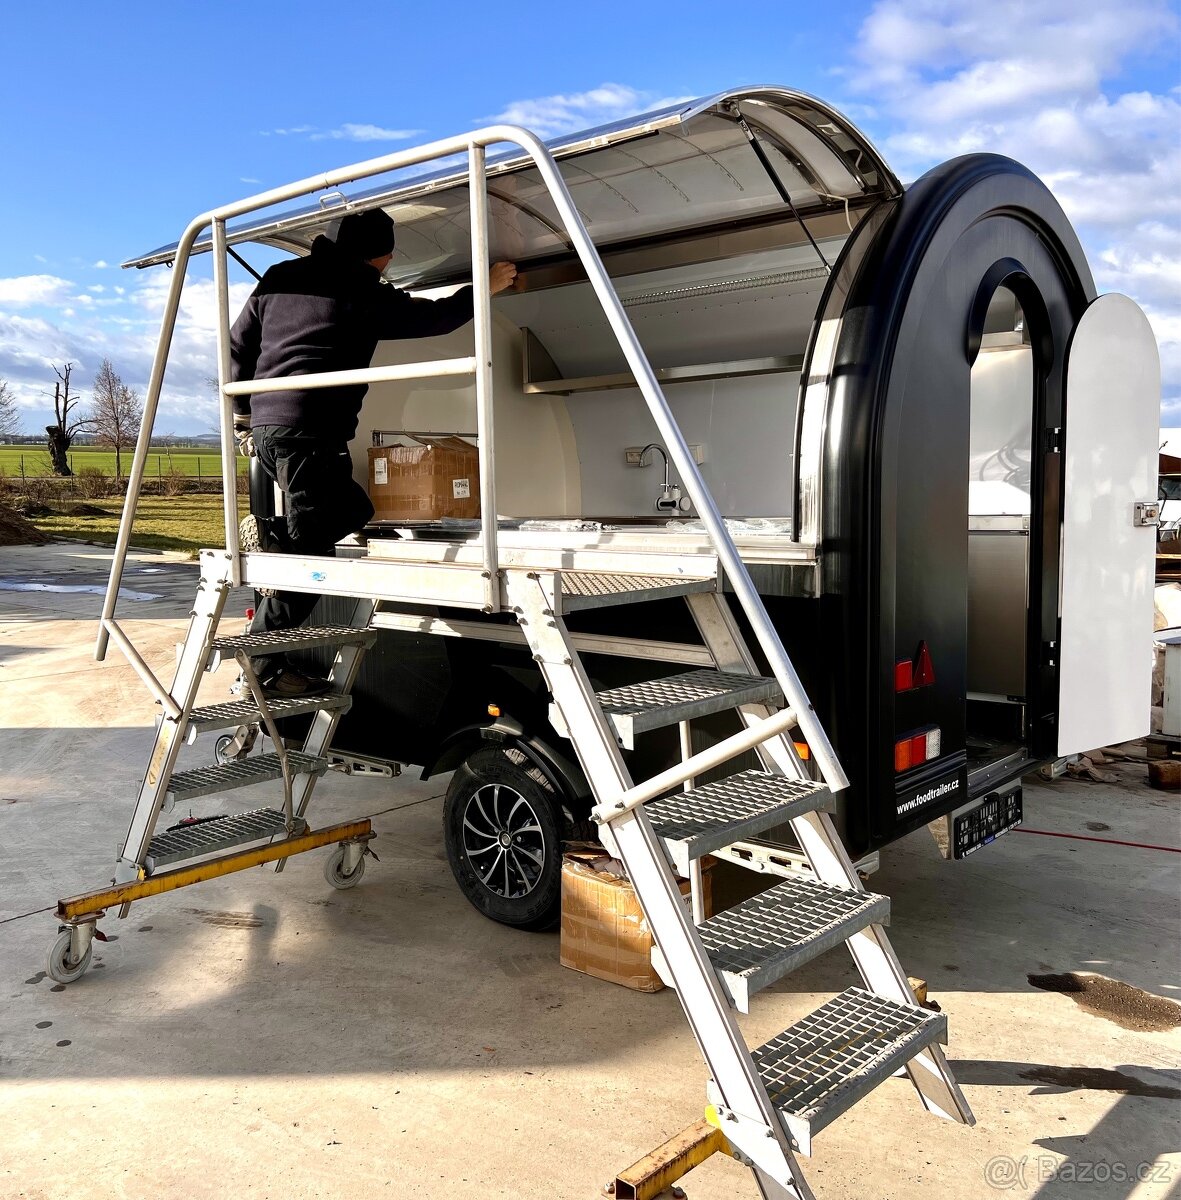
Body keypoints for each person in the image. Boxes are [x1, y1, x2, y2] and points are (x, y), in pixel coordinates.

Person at [229, 207, 517, 697]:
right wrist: (483, 288)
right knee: (315, 554)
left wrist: (241, 412)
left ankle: (278, 546)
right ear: (382, 257)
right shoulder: (362, 289)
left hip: (269, 427)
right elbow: (435, 318)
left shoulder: (281, 275)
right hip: (310, 433)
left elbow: (238, 344)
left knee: (347, 513)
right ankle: (263, 663)